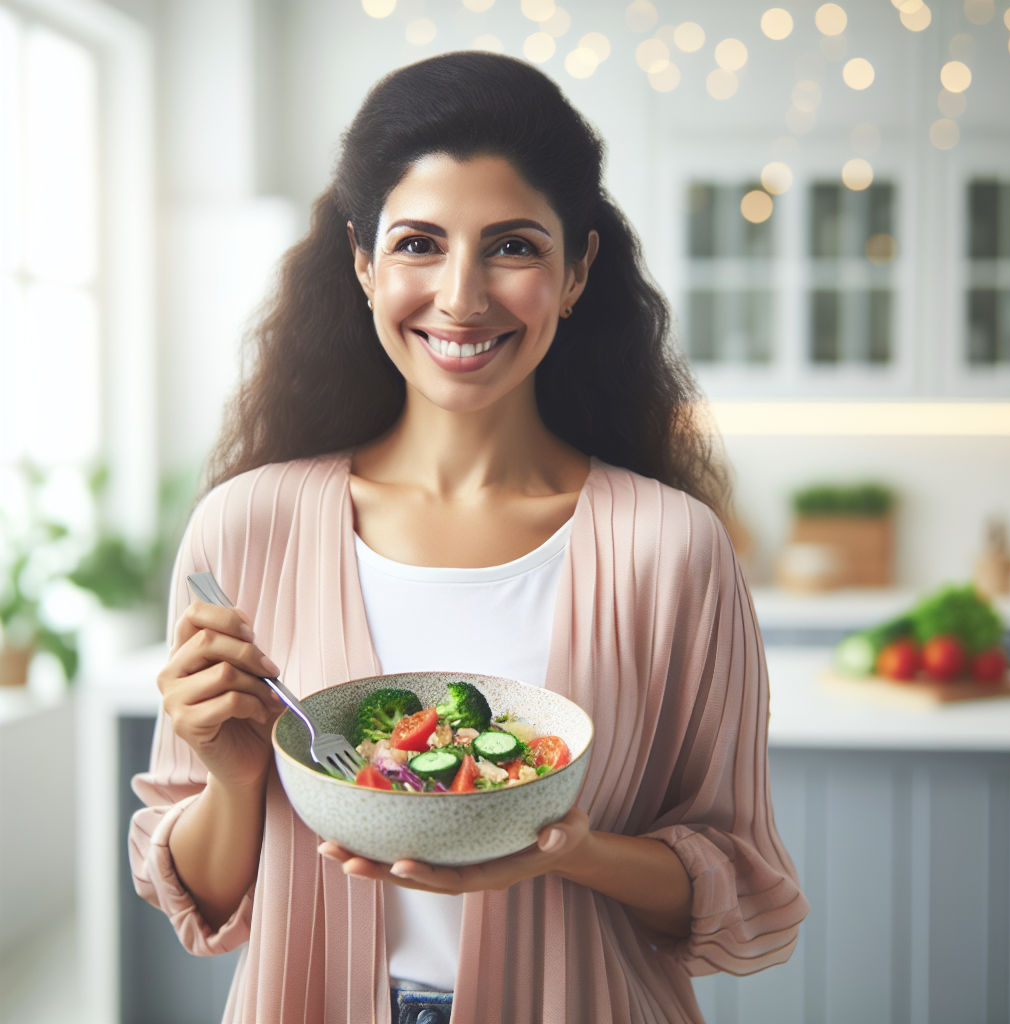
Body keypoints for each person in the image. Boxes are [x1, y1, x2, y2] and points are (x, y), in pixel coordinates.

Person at [129, 52, 808, 1024]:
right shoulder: (247, 528)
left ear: (576, 271)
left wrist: (569, 851)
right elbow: (208, 898)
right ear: (362, 263)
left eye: (513, 247)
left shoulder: (672, 548)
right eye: (417, 244)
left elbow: (741, 883)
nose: (459, 296)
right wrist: (234, 779)